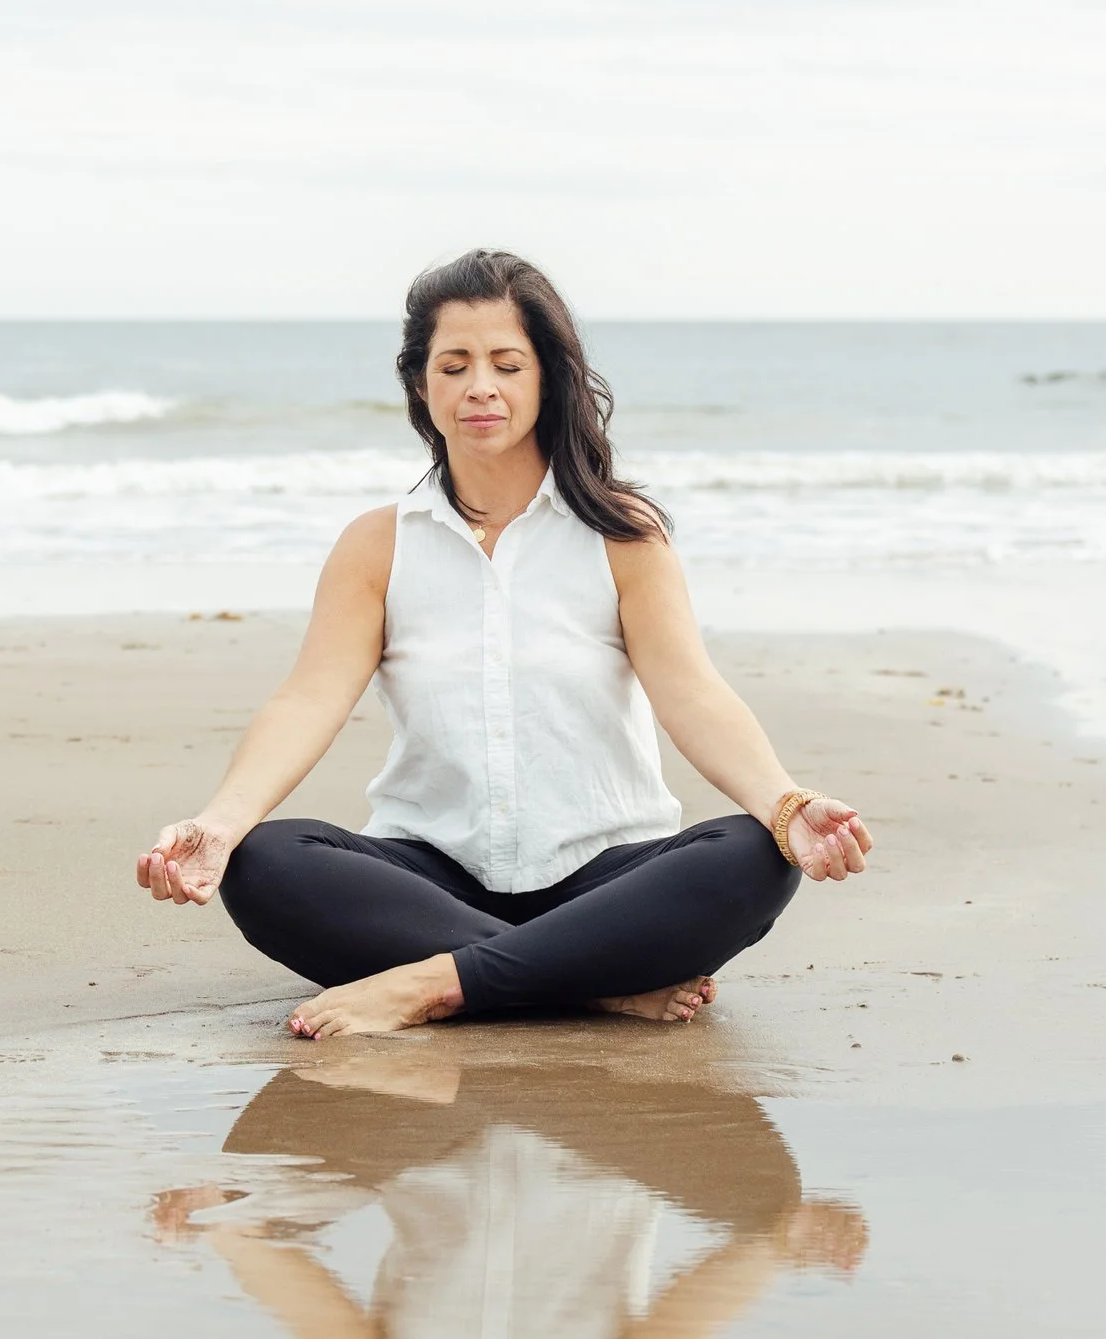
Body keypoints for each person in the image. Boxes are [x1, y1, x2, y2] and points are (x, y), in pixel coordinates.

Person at [133, 249, 873, 1039]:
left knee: (754, 854)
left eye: (505, 363)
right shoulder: (377, 545)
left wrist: (786, 803)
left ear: (544, 378)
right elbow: (309, 698)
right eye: (453, 365)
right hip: (429, 881)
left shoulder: (622, 535)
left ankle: (432, 982)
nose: (479, 385)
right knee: (263, 860)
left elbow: (691, 692)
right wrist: (220, 821)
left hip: (608, 882)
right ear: (423, 385)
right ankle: (586, 985)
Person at [152, 1051, 868, 1338]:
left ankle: (495, 958)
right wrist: (772, 1246)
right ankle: (557, 963)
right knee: (743, 859)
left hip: (425, 1117)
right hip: (601, 1130)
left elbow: (328, 1318)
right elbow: (676, 1323)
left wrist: (234, 1224)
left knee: (280, 870)